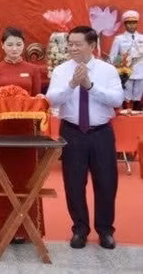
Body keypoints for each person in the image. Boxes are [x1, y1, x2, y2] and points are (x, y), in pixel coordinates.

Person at [46, 26, 123, 250]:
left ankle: (105, 230)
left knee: (106, 183)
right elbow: (52, 99)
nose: (72, 48)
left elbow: (117, 100)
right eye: (70, 44)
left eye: (77, 44)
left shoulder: (107, 71)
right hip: (72, 132)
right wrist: (71, 85)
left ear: (92, 46)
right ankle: (80, 229)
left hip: (101, 133)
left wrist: (90, 86)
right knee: (74, 183)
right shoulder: (61, 70)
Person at [0, 27, 44, 244]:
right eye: (10, 44)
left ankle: (27, 229)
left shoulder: (33, 69)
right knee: (4, 178)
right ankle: (3, 228)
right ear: (2, 46)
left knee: (27, 177)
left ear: (24, 45)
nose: (14, 49)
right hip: (3, 130)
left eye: (18, 44)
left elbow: (38, 97)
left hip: (27, 131)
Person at [108, 10, 143, 110]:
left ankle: (137, 111)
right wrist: (118, 66)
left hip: (141, 70)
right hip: (126, 70)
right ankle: (125, 111)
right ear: (125, 24)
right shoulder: (119, 39)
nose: (131, 26)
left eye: (134, 23)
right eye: (129, 23)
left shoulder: (142, 38)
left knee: (138, 93)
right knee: (126, 94)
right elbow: (114, 55)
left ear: (137, 24)